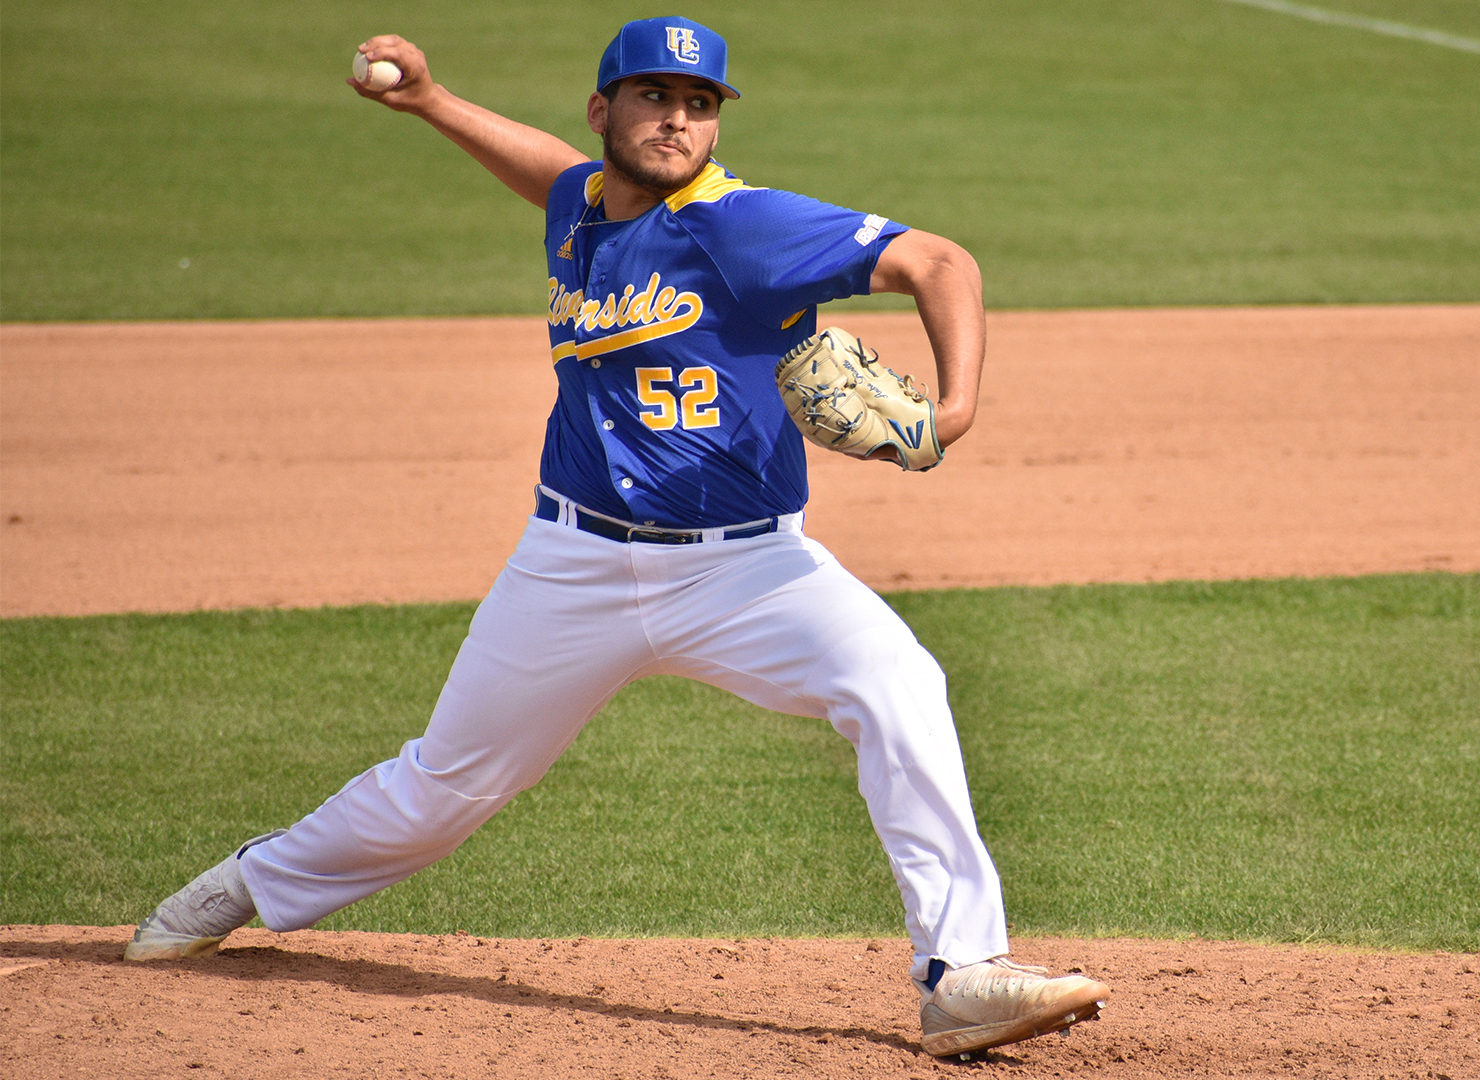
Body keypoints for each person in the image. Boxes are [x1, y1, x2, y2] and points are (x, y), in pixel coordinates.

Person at [123, 16, 1110, 1059]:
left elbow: (940, 261)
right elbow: (552, 174)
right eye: (653, 97)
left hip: (750, 569)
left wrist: (951, 414)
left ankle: (960, 974)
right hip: (571, 566)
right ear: (605, 112)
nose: (677, 119)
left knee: (898, 685)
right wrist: (430, 101)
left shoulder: (746, 227)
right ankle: (246, 883)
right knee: (447, 785)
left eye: (698, 104)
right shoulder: (581, 206)